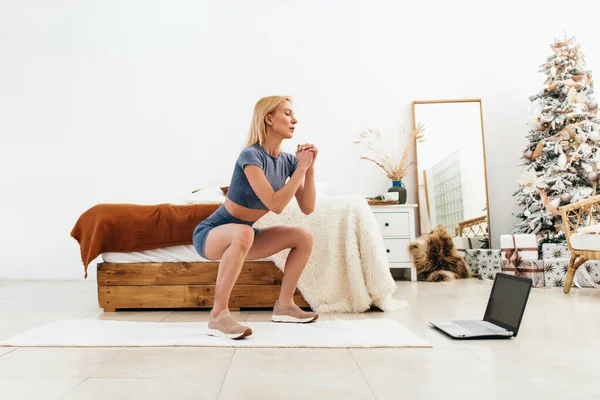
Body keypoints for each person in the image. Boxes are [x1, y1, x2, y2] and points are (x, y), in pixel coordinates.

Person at [192, 96, 318, 339]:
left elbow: (308, 207)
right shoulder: (251, 156)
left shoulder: (288, 162)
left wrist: (308, 168)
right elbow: (276, 204)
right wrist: (300, 169)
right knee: (244, 231)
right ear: (268, 118)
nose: (295, 120)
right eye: (288, 114)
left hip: (244, 235)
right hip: (211, 234)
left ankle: (284, 305)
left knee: (302, 237)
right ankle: (218, 316)